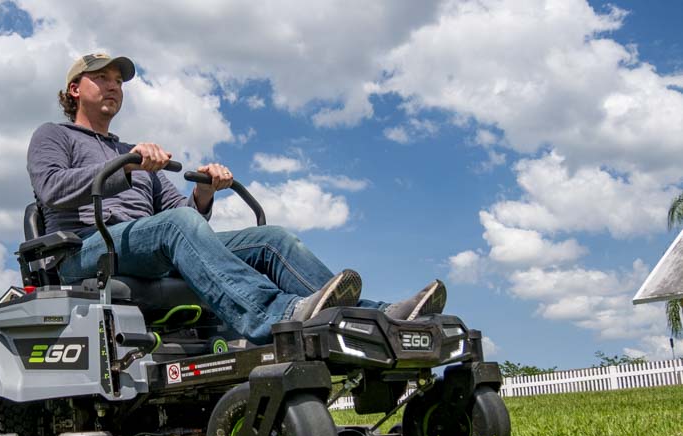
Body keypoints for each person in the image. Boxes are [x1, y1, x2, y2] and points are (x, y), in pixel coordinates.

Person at [27, 53, 446, 344]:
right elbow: (51, 189)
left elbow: (186, 220)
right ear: (74, 90)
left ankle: (376, 316)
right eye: (102, 78)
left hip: (142, 243)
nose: (113, 86)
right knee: (176, 229)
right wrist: (127, 169)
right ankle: (275, 316)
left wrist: (204, 191)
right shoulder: (53, 135)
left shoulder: (131, 153)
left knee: (272, 239)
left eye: (118, 81)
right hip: (84, 248)